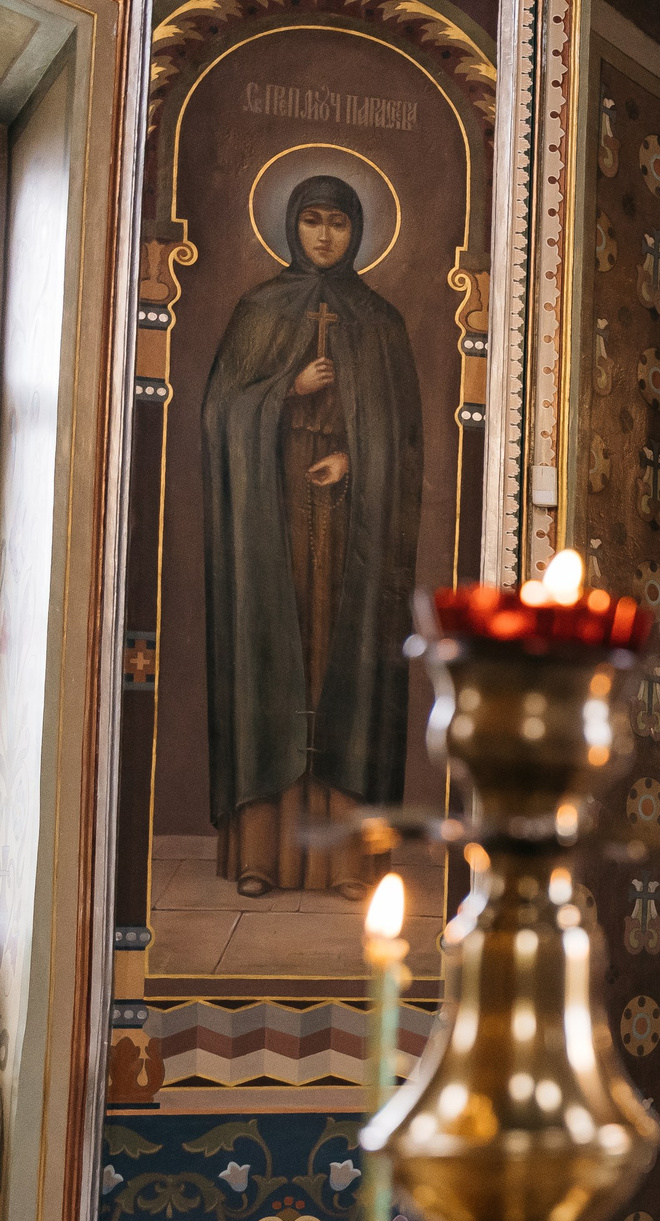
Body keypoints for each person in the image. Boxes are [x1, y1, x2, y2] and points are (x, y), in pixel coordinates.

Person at [202, 174, 423, 900]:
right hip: (271, 520)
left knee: (343, 665)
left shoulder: (380, 321)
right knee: (274, 655)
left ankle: (349, 862)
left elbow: (405, 440)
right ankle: (262, 853)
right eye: (312, 221)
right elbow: (220, 414)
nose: (324, 236)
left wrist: (357, 459)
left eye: (336, 223)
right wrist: (286, 392)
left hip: (351, 522)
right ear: (293, 226)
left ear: (357, 230)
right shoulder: (260, 309)